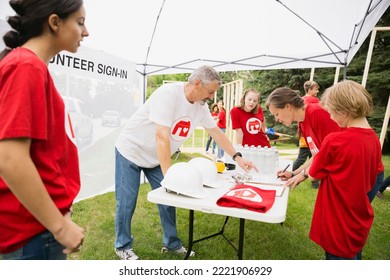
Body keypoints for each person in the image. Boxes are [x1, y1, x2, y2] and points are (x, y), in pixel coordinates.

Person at [114, 65, 257, 260]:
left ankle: (171, 243)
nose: (212, 97)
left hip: (156, 155)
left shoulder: (201, 106)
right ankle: (122, 246)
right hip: (131, 150)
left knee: (169, 199)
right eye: (210, 91)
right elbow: (161, 136)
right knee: (127, 200)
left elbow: (215, 132)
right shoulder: (168, 94)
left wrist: (238, 157)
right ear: (197, 83)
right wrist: (170, 177)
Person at [0, 0, 88, 260]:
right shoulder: (25, 67)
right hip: (32, 234)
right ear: (54, 22)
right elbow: (10, 159)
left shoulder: (31, 66)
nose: (86, 32)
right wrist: (60, 227)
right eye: (80, 22)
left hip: (39, 228)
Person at [307, 80, 383, 259]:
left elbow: (313, 175)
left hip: (337, 223)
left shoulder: (335, 141)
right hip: (356, 218)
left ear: (345, 112)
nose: (331, 118)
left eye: (332, 113)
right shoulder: (373, 139)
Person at [265, 87, 340, 189]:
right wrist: (293, 174)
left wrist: (303, 174)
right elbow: (318, 155)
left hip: (348, 178)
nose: (276, 119)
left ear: (287, 106)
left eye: (276, 114)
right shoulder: (302, 122)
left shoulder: (316, 113)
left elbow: (334, 153)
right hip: (334, 179)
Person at [293, 81, 320, 188]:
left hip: (304, 134)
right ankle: (294, 174)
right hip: (311, 135)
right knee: (305, 157)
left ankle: (314, 181)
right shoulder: (314, 101)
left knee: (312, 156)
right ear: (309, 90)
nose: (317, 91)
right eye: (315, 89)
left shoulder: (301, 100)